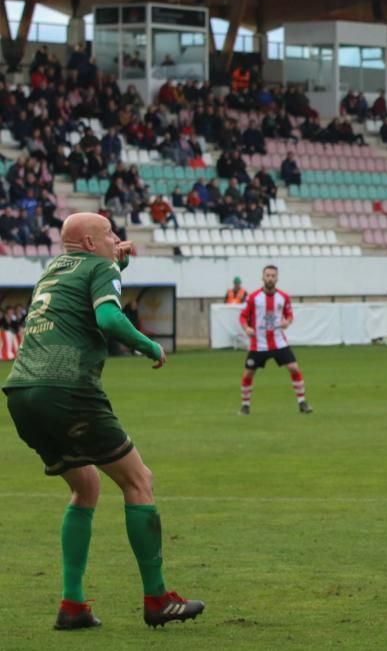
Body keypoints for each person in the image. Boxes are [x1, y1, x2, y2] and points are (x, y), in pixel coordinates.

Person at [2, 212, 205, 630]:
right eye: (110, 233)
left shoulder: (53, 270)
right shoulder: (101, 265)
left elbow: (83, 293)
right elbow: (109, 319)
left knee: (86, 485)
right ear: (92, 243)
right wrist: (149, 346)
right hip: (68, 389)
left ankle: (72, 605)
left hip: (21, 392)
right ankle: (157, 598)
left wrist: (118, 266)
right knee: (138, 481)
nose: (117, 238)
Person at [238, 265, 312, 415]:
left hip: (278, 342)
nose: (270, 278)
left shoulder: (284, 297)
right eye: (267, 275)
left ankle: (302, 402)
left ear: (277, 278)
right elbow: (242, 316)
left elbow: (289, 315)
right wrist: (246, 328)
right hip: (258, 344)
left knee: (294, 368)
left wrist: (287, 322)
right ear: (262, 277)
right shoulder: (253, 297)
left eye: (273, 276)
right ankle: (245, 406)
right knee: (248, 374)